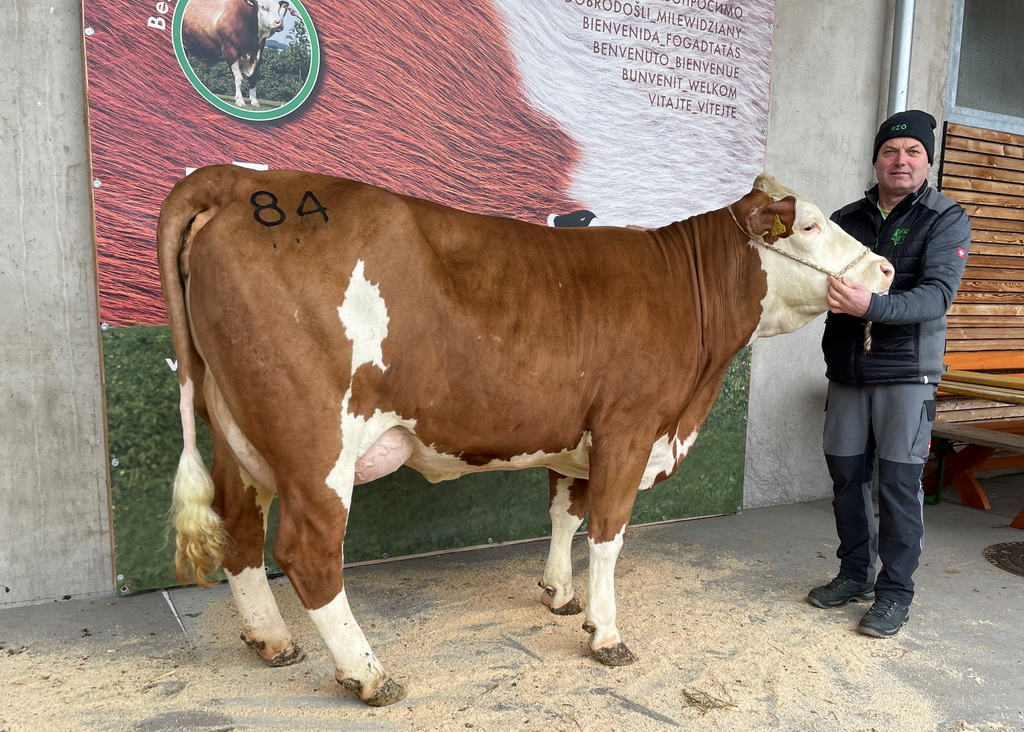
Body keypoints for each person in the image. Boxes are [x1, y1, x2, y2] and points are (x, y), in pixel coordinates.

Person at [807, 109, 971, 637]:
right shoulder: (845, 219)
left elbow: (936, 296)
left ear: (927, 160)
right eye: (890, 151)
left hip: (906, 374)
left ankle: (895, 592)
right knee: (846, 478)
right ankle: (855, 574)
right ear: (876, 158)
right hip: (848, 372)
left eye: (913, 152)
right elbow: (816, 279)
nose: (900, 161)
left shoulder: (945, 218)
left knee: (899, 486)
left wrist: (868, 303)